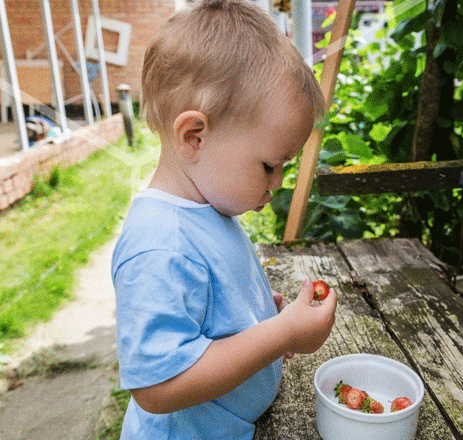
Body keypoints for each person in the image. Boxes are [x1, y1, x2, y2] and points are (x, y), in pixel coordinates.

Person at [110, 0, 337, 438]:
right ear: (194, 137)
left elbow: (210, 305)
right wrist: (282, 336)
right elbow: (156, 387)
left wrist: (257, 318)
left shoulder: (207, 207)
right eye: (270, 165)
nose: (278, 183)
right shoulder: (159, 246)